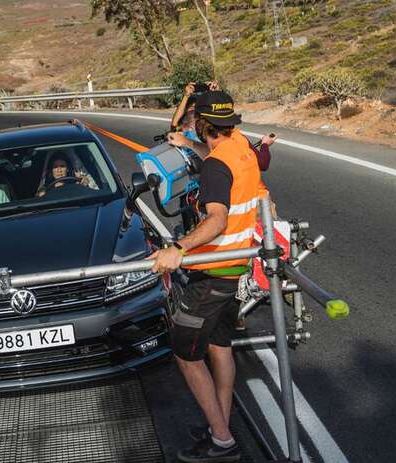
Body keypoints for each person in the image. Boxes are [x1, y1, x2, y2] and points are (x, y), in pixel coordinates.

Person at [148, 91, 261, 462]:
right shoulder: (240, 149)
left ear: (201, 124)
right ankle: (220, 423)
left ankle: (223, 440)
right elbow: (216, 160)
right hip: (235, 265)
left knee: (186, 354)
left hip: (211, 272)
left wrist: (177, 249)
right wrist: (192, 147)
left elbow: (216, 220)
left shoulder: (215, 167)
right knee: (219, 345)